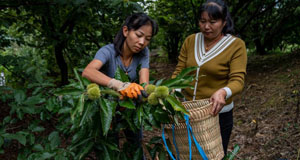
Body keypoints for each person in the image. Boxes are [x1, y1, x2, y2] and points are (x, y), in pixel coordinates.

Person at [171, 0, 247, 156]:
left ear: (224, 22)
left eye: (213, 22)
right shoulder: (190, 41)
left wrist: (223, 92)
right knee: (187, 154)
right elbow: (179, 72)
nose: (207, 26)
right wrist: (173, 91)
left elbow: (237, 80)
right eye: (203, 21)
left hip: (217, 114)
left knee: (213, 156)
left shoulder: (236, 45)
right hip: (187, 111)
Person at [82, 13, 158, 158]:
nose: (142, 42)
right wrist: (118, 84)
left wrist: (150, 95)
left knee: (136, 146)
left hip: (130, 109)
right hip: (106, 110)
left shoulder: (143, 53)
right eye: (139, 35)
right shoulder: (108, 51)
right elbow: (88, 71)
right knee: (110, 149)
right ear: (125, 31)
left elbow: (144, 84)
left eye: (147, 39)